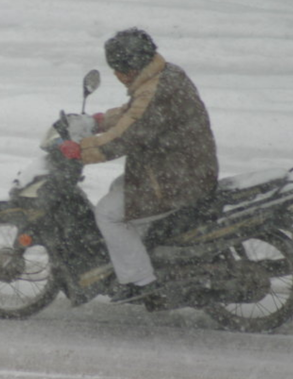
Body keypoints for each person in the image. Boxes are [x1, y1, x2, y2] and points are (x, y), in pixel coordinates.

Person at [59, 28, 219, 301]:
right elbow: (132, 114)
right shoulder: (165, 74)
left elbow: (125, 138)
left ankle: (140, 281)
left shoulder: (155, 91)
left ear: (131, 68)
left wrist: (80, 150)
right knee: (117, 189)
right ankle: (143, 255)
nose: (116, 76)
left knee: (108, 214)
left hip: (177, 179)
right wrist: (97, 121)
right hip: (182, 169)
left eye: (117, 69)